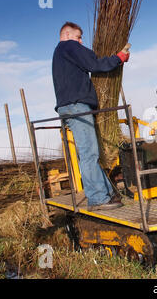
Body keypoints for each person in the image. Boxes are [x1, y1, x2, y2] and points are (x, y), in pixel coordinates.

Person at [52, 21, 130, 211]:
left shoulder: (60, 54)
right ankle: (97, 198)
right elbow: (94, 64)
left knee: (89, 153)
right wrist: (117, 58)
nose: (80, 42)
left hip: (71, 107)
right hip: (77, 107)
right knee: (89, 154)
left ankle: (107, 193)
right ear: (68, 35)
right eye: (79, 37)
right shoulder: (68, 46)